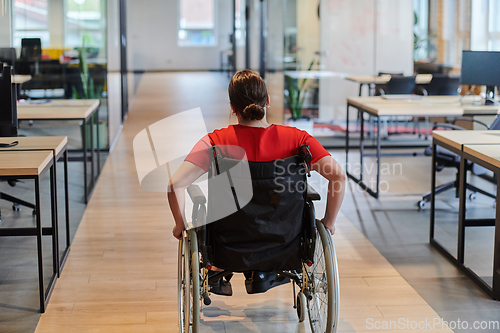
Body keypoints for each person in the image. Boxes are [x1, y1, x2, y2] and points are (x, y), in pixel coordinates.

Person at [167, 69, 345, 294]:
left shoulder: (215, 142)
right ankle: (264, 272)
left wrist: (180, 224)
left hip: (227, 248)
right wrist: (329, 222)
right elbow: (338, 176)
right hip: (286, 245)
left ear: (233, 108)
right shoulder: (298, 140)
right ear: (267, 101)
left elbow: (174, 185)